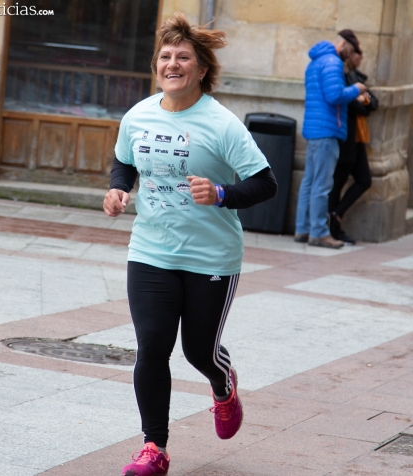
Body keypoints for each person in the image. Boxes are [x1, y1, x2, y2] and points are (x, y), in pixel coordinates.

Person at [103, 13, 277, 476]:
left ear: (201, 69)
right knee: (153, 344)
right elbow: (124, 162)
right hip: (151, 250)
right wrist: (119, 189)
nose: (172, 64)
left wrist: (222, 194)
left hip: (211, 256)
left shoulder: (222, 124)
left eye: (183, 58)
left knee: (199, 351)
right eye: (165, 57)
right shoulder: (138, 115)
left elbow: (266, 183)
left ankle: (224, 386)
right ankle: (153, 447)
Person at [294, 29, 367, 249]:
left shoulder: (316, 61)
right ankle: (318, 232)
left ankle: (302, 228)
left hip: (314, 129)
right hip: (327, 130)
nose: (350, 55)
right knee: (322, 184)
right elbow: (334, 95)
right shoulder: (333, 63)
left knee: (309, 181)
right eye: (351, 50)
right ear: (343, 44)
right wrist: (356, 88)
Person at [328, 49, 378, 245]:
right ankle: (332, 228)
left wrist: (362, 98)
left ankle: (336, 215)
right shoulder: (340, 77)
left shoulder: (356, 76)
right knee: (337, 183)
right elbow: (353, 106)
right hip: (344, 137)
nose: (362, 56)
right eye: (358, 52)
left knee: (364, 179)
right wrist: (358, 98)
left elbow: (373, 103)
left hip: (357, 138)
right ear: (349, 56)